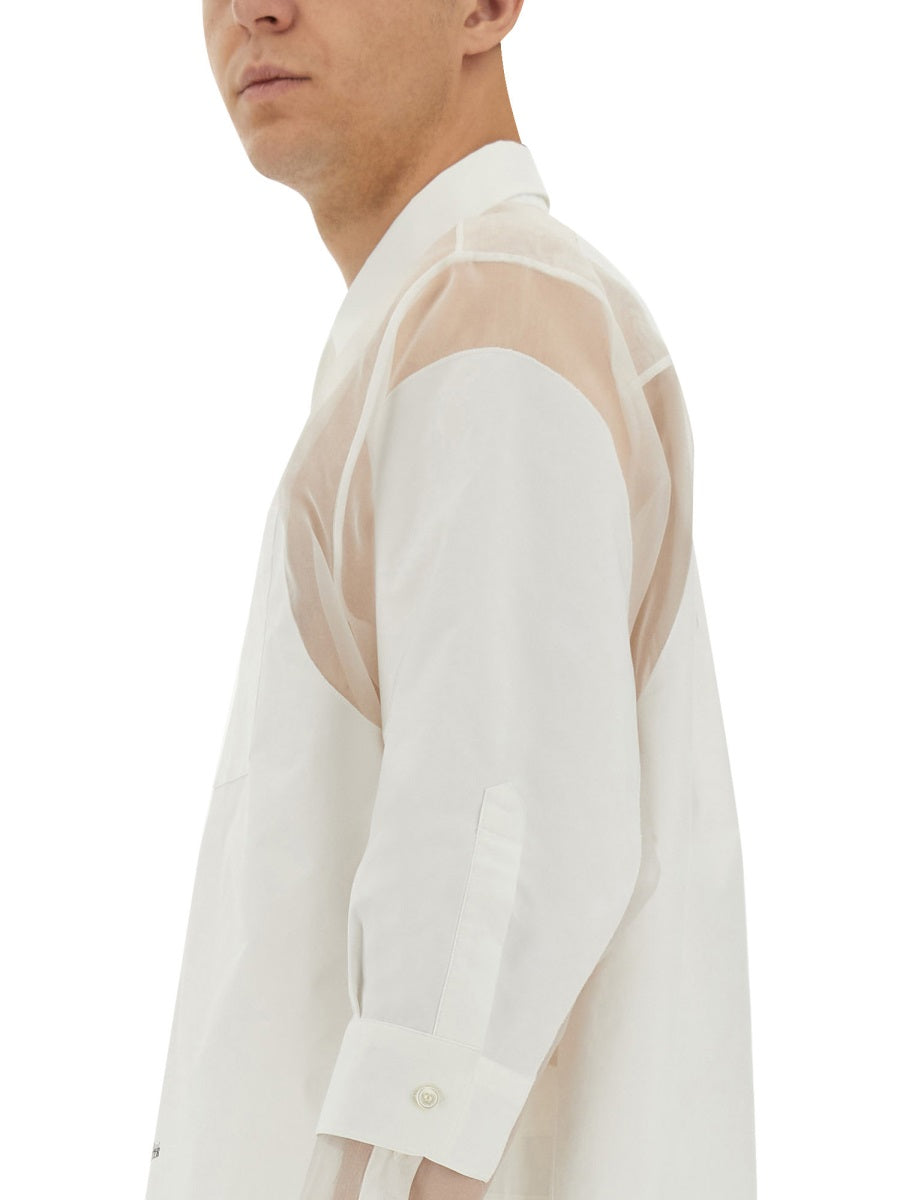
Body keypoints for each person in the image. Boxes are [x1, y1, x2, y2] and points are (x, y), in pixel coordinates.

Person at [144, 2, 757, 1198]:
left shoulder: (493, 316)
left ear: (485, 7)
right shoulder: (447, 319)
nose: (255, 9)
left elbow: (493, 866)